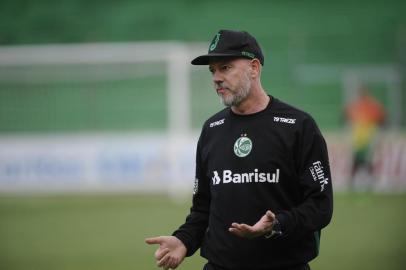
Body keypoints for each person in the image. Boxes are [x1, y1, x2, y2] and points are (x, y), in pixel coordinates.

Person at [146, 29, 333, 270]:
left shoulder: (298, 126)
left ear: (254, 68)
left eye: (225, 67)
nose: (216, 77)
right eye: (213, 70)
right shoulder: (212, 129)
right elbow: (203, 209)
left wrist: (277, 225)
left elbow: (320, 205)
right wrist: (183, 240)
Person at [345, 85, 386, 189]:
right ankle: (352, 182)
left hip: (369, 135)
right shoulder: (356, 105)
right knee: (357, 157)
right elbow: (347, 117)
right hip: (358, 135)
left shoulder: (373, 105)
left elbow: (381, 119)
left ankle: (370, 181)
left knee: (368, 158)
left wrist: (377, 131)